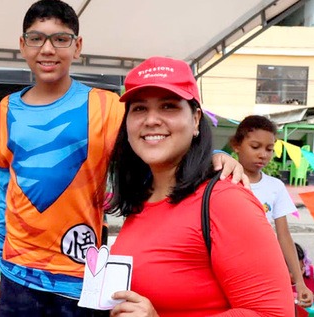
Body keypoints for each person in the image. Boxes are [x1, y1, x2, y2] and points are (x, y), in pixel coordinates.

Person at [0, 1, 246, 315]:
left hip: (79, 277)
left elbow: (157, 138)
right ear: (22, 45)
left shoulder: (107, 106)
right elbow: (5, 191)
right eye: (36, 38)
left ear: (77, 46)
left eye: (61, 39)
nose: (48, 49)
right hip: (17, 274)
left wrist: (213, 154)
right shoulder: (6, 109)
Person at [106, 56, 292, 316]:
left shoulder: (225, 199)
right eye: (139, 108)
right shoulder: (143, 198)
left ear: (195, 120)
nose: (151, 120)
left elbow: (273, 313)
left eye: (168, 106)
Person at [231, 115, 314, 307]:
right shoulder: (223, 180)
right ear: (236, 145)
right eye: (255, 147)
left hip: (262, 268)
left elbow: (283, 235)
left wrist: (300, 282)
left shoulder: (275, 186)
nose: (263, 154)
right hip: (228, 267)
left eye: (269, 149)